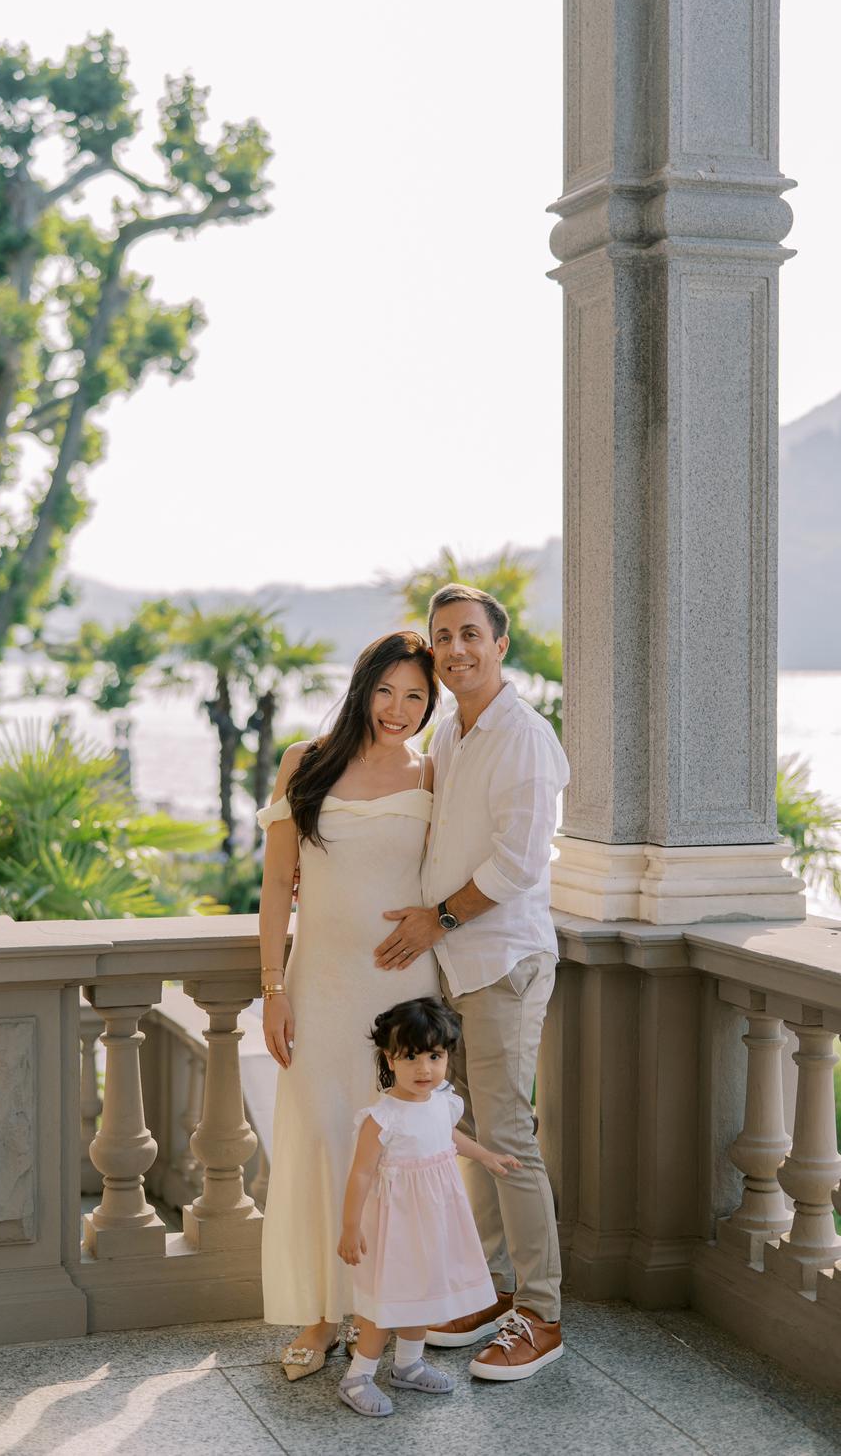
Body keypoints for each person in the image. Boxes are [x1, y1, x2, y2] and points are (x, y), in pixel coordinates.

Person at [374, 583, 570, 1381]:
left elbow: (522, 862)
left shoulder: (522, 736)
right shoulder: (453, 733)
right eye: (443, 637)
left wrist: (436, 922)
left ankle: (543, 1312)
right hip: (458, 962)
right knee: (481, 1132)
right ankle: (488, 1290)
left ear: (500, 645)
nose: (455, 649)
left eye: (470, 635)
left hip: (502, 963)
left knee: (508, 1134)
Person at [257, 631, 441, 1381]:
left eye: (417, 697)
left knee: (398, 1154)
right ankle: (317, 1315)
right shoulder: (305, 761)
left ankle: (388, 1317)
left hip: (403, 990)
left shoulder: (434, 773)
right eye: (387, 691)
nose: (398, 710)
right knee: (320, 1136)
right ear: (363, 686)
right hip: (321, 985)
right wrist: (273, 988)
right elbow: (275, 887)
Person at [336, 997, 519, 1417]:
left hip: (435, 1221)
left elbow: (449, 1137)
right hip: (395, 1226)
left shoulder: (444, 1102)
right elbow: (361, 1174)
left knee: (423, 1293)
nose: (424, 1069)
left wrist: (486, 1156)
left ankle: (407, 1364)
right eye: (412, 1057)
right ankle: (358, 1376)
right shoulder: (382, 1117)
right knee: (388, 1301)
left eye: (434, 1056)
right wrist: (350, 1227)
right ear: (390, 1059)